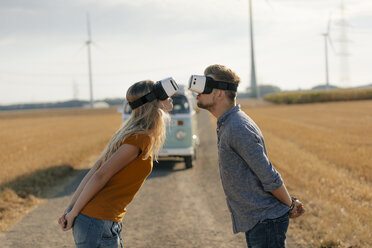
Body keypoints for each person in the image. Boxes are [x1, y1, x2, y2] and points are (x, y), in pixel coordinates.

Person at [188, 64, 305, 248]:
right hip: (260, 221)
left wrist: (290, 205)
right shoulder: (229, 123)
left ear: (219, 93)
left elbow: (268, 175)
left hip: (265, 221)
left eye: (204, 86)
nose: (196, 91)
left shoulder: (236, 127)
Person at [58, 78, 178, 248]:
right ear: (153, 102)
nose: (170, 98)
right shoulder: (139, 138)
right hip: (97, 223)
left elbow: (94, 171)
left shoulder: (133, 135)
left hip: (98, 222)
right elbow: (99, 175)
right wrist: (72, 212)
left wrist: (71, 209)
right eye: (164, 94)